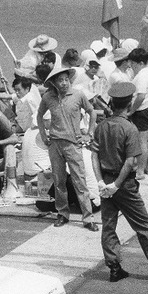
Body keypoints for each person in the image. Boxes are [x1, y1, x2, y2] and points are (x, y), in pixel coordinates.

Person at [90, 81, 148, 283]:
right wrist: (117, 185)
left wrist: (100, 182)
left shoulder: (102, 126)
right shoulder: (129, 128)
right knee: (143, 225)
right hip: (124, 184)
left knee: (108, 225)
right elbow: (130, 161)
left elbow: (94, 156)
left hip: (105, 180)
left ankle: (114, 267)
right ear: (129, 103)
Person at [36, 63, 99, 231]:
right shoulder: (48, 97)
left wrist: (90, 133)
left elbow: (92, 111)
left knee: (80, 180)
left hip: (73, 144)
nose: (64, 83)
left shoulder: (78, 95)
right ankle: (62, 214)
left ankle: (88, 218)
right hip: (55, 143)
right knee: (59, 181)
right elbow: (39, 115)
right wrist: (43, 133)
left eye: (66, 80)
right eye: (60, 81)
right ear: (54, 83)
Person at [127, 48, 148, 179]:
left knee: (141, 142)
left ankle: (140, 171)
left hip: (142, 109)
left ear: (140, 63)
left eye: (133, 64)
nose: (132, 67)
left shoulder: (141, 75)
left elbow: (140, 96)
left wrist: (131, 111)